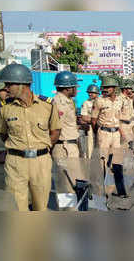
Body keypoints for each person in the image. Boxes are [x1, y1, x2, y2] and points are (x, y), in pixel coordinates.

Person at [0, 64, 61, 211]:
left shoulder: (48, 105)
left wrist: (41, 148)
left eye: (9, 84)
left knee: (41, 207)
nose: (6, 88)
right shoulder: (5, 108)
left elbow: (55, 132)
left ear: (22, 85)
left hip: (41, 162)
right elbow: (3, 134)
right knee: (16, 208)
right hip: (15, 163)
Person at [91, 76, 127, 198]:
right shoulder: (99, 101)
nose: (105, 89)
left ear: (114, 88)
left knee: (117, 162)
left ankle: (121, 190)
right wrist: (99, 133)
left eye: (108, 87)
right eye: (104, 87)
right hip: (104, 133)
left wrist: (122, 133)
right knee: (102, 162)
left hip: (116, 133)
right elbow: (94, 120)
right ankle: (101, 190)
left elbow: (119, 118)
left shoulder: (119, 101)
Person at [51, 71, 84, 199]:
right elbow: (55, 127)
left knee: (75, 183)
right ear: (68, 88)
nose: (76, 89)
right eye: (75, 87)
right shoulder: (59, 103)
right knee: (66, 187)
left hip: (71, 146)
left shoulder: (68, 101)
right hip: (64, 147)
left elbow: (67, 124)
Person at [80, 84, 100, 159]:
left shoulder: (102, 101)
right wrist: (95, 120)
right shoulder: (86, 103)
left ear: (97, 93)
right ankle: (90, 161)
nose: (89, 94)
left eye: (92, 92)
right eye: (89, 92)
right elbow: (84, 117)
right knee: (90, 146)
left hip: (102, 127)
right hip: (91, 126)